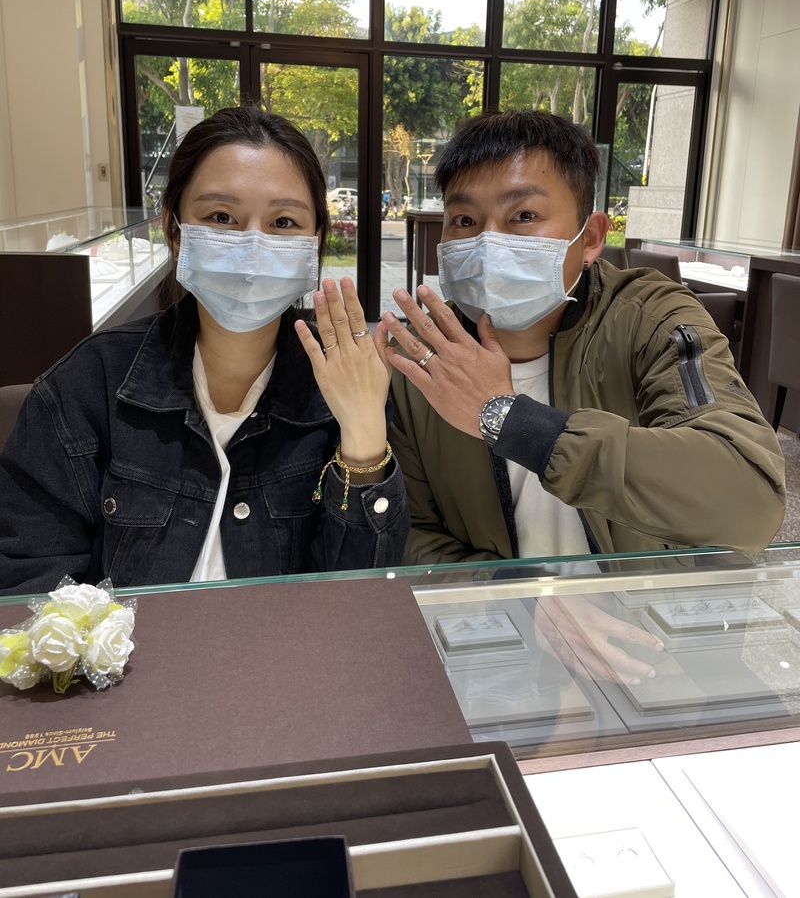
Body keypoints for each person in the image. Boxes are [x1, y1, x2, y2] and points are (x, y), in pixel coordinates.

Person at [0, 106, 408, 595]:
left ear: (315, 241)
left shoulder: (347, 382)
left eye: (283, 221)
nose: (252, 246)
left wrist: (363, 433)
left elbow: (359, 593)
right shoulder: (86, 386)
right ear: (174, 230)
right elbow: (29, 583)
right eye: (221, 217)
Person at [379, 110, 786, 566]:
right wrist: (519, 595)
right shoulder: (419, 360)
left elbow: (751, 501)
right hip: (501, 608)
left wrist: (510, 421)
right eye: (465, 220)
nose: (488, 243)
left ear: (590, 237)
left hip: (639, 604)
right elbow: (410, 534)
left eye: (524, 215)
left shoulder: (648, 320)